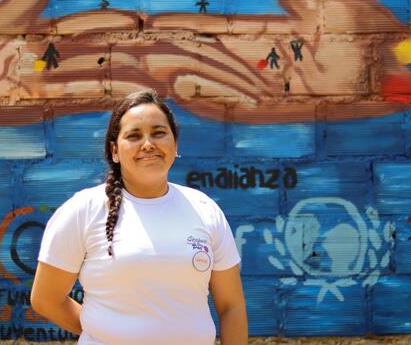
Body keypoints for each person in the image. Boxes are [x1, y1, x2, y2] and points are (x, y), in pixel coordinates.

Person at [31, 89, 248, 345]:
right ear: (114, 151)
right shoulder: (83, 210)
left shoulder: (205, 209)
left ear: (175, 144)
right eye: (134, 136)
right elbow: (45, 299)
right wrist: (101, 331)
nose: (148, 144)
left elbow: (231, 306)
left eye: (158, 133)